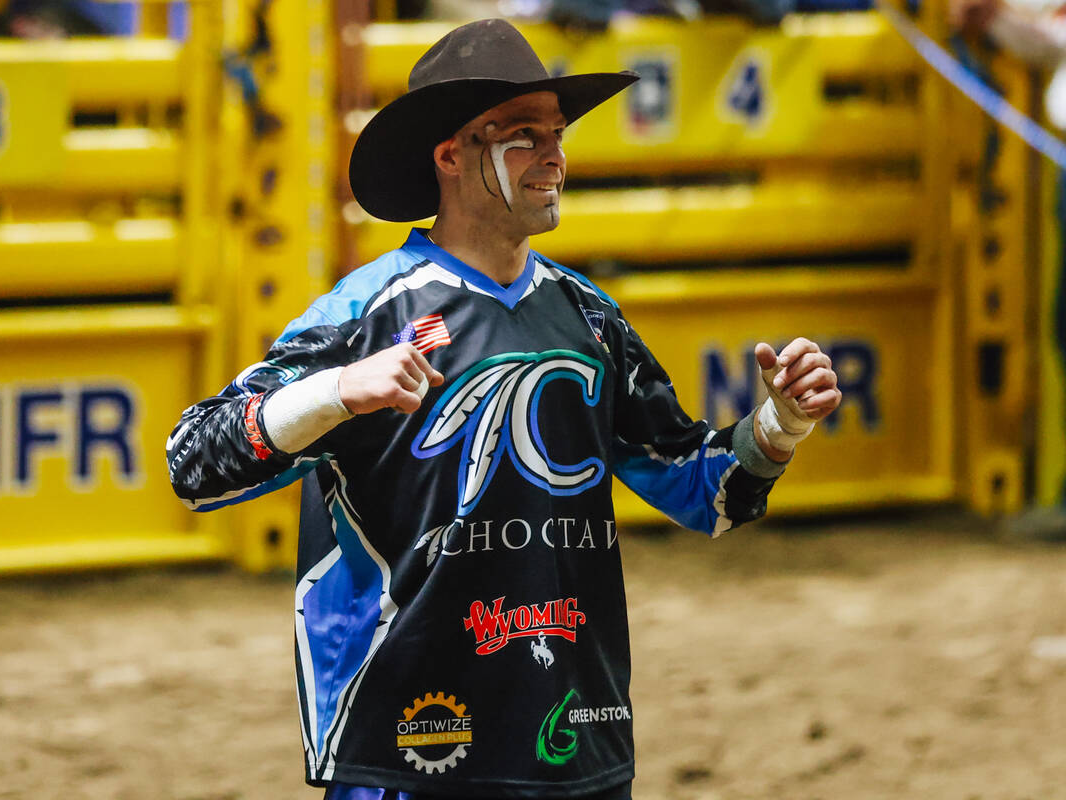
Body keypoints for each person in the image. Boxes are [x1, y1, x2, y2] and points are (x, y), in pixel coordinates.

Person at [167, 18, 841, 799]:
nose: (554, 155)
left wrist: (778, 425)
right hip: (409, 750)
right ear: (450, 155)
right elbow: (194, 462)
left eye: (557, 132)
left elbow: (704, 490)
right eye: (523, 134)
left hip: (574, 739)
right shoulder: (366, 316)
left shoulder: (587, 317)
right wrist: (337, 394)